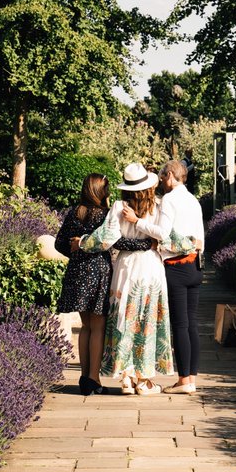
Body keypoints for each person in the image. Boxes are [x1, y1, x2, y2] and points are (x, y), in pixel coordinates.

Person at [78, 162, 195, 396]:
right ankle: (144, 380)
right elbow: (171, 237)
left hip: (126, 267)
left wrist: (82, 242)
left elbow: (106, 238)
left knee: (124, 318)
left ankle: (127, 377)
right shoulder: (158, 206)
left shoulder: (119, 207)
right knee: (147, 320)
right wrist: (188, 244)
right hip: (151, 266)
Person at [124, 159, 204, 394]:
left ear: (170, 175)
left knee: (180, 325)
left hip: (176, 267)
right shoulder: (193, 200)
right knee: (192, 323)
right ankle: (191, 379)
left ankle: (183, 381)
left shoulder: (169, 199)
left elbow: (162, 232)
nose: (160, 182)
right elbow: (200, 236)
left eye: (161, 177)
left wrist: (137, 222)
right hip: (196, 266)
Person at [54, 174, 112, 395]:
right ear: (101, 191)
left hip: (77, 273)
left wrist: (75, 252)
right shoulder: (105, 216)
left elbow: (59, 243)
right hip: (98, 272)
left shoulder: (74, 213)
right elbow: (113, 240)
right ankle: (94, 379)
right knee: (98, 327)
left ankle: (84, 377)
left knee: (86, 326)